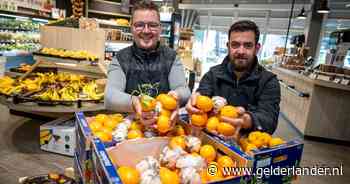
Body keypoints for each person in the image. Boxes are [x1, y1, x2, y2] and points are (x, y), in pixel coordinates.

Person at [186, 20, 280, 138]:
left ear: (256, 48)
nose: (241, 51)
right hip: (212, 145)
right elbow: (202, 94)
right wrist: (196, 100)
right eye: (235, 45)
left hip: (247, 148)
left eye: (248, 45)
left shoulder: (268, 81)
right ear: (228, 46)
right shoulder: (212, 74)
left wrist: (247, 119)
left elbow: (269, 120)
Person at [105, 1, 190, 125]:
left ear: (160, 28)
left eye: (152, 25)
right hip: (131, 130)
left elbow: (184, 90)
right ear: (131, 28)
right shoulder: (120, 59)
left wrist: (177, 96)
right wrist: (134, 102)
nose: (146, 30)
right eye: (139, 25)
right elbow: (109, 97)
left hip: (164, 127)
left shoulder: (171, 57)